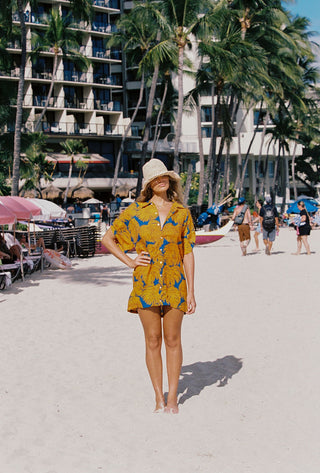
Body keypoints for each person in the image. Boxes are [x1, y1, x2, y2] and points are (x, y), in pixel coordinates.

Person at [102, 158, 196, 414]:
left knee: (173, 339)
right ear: (148, 184)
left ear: (170, 180)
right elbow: (108, 239)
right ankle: (158, 396)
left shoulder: (181, 213)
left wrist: (192, 290)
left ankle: (173, 397)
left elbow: (187, 252)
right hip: (146, 283)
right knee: (152, 340)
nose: (160, 180)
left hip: (176, 284)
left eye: (163, 176)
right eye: (155, 178)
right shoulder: (136, 212)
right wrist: (130, 262)